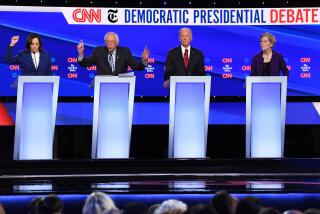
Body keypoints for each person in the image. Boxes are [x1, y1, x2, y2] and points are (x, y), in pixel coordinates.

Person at [77, 32, 150, 75]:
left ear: (117, 43)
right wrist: (81, 53)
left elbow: (136, 67)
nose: (109, 44)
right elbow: (85, 63)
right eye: (107, 41)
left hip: (121, 86)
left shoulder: (124, 52)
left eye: (112, 41)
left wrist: (144, 59)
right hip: (103, 86)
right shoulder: (98, 51)